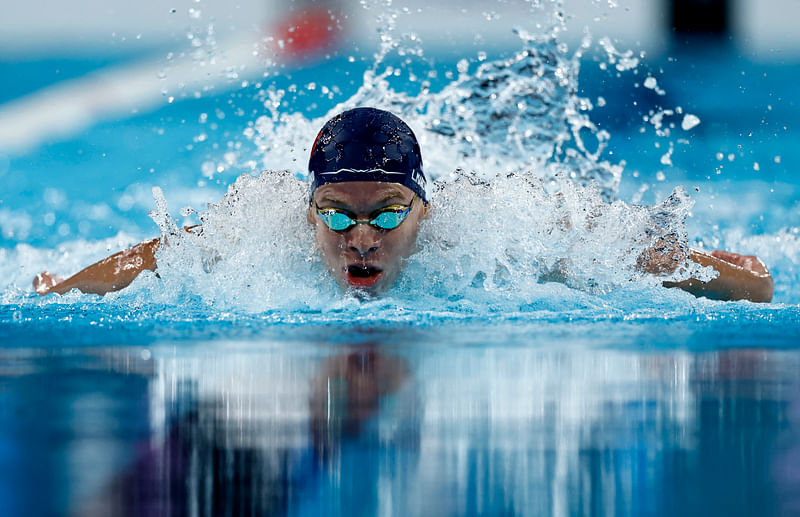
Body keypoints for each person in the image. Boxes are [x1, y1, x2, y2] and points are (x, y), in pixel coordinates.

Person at [32, 107, 774, 302]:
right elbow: (160, 257)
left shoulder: (488, 233)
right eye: (336, 214)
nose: (361, 238)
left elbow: (619, 257)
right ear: (309, 209)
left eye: (387, 213)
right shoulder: (264, 227)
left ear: (423, 209)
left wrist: (738, 278)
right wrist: (61, 288)